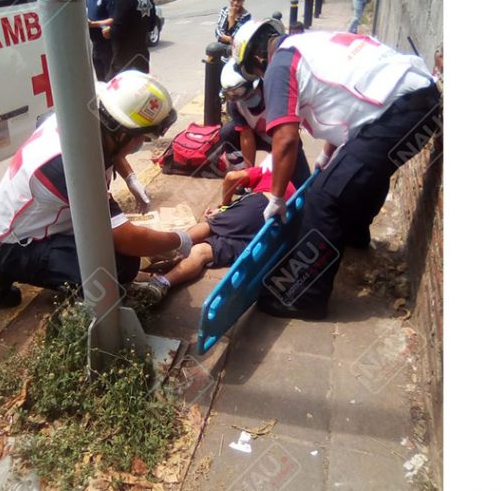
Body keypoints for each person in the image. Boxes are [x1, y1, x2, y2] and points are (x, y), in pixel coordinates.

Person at [230, 21, 441, 320]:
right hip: (424, 105)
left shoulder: (279, 65)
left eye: (255, 72)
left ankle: (307, 298)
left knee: (323, 197)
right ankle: (354, 236)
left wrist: (276, 198)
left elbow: (286, 139)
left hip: (402, 112)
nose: (260, 78)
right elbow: (341, 100)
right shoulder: (310, 43)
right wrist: (328, 154)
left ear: (257, 59)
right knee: (362, 174)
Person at [0, 71, 195, 307]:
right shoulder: (73, 166)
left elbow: (112, 150)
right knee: (116, 268)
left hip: (37, 219)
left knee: (115, 253)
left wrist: (131, 178)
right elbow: (126, 239)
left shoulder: (85, 119)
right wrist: (179, 239)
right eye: (140, 138)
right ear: (122, 133)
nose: (140, 145)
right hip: (13, 243)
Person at [128, 156, 297, 305]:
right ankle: (162, 283)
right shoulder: (292, 187)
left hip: (262, 206)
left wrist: (224, 206)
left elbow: (232, 177)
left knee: (211, 225)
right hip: (270, 235)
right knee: (201, 251)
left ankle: (162, 249)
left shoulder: (268, 172)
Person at [217, 55, 310, 187]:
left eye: (238, 91)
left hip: (283, 136)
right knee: (227, 132)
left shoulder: (274, 91)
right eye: (231, 93)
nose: (235, 96)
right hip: (258, 135)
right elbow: (246, 136)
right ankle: (241, 178)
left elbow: (289, 131)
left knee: (303, 185)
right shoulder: (235, 104)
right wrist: (249, 175)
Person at [103, 0, 156, 76]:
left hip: (124, 61)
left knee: (112, 90)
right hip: (142, 58)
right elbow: (152, 25)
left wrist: (108, 32)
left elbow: (117, 31)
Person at [84, 0, 117, 81]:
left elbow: (115, 19)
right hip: (96, 47)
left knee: (112, 84)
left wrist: (93, 24)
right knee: (101, 83)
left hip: (109, 48)